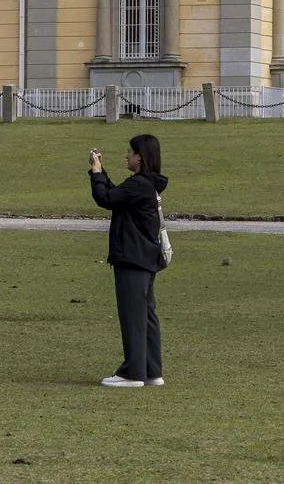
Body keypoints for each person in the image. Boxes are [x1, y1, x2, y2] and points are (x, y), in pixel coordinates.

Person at [89, 133, 168, 388]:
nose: (127, 155)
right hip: (145, 257)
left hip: (132, 258)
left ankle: (133, 372)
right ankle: (151, 370)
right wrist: (100, 173)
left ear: (140, 157)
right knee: (146, 316)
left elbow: (105, 199)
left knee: (132, 315)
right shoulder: (145, 184)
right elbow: (117, 197)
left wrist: (97, 172)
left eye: (130, 152)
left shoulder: (139, 185)